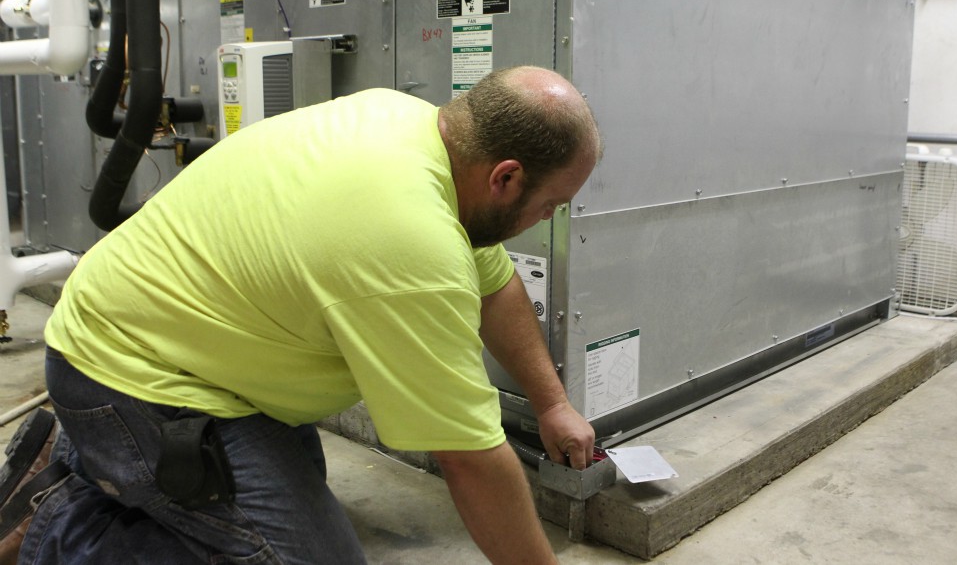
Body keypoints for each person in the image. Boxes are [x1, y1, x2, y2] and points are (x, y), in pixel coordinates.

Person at [0, 65, 602, 564]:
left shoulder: (418, 131)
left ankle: (98, 467)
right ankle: (54, 522)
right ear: (506, 177)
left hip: (195, 356)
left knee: (275, 510)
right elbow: (470, 459)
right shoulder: (408, 235)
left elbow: (495, 288)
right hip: (129, 375)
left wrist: (551, 404)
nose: (549, 218)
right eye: (552, 204)